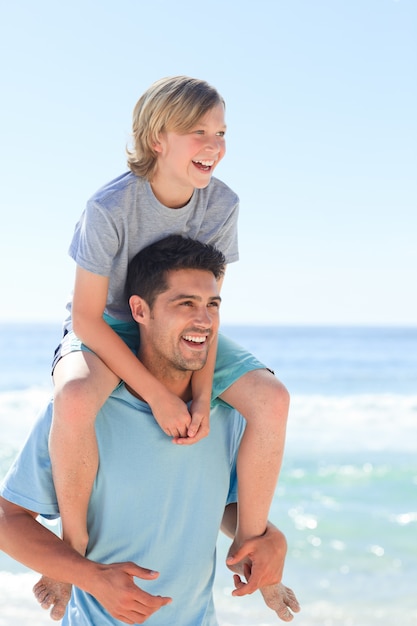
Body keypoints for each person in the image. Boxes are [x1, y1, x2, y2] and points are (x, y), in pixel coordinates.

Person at [44, 75, 291, 618]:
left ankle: (251, 543)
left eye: (221, 132)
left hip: (181, 325)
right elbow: (86, 315)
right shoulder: (110, 206)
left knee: (273, 400)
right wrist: (158, 395)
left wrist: (202, 397)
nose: (214, 145)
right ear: (158, 137)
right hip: (109, 324)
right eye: (197, 132)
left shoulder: (222, 205)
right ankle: (72, 552)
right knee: (78, 399)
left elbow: (208, 312)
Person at [0, 236, 300, 625]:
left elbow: (213, 503)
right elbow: (9, 519)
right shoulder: (83, 412)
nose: (204, 320)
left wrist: (265, 537)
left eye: (212, 305)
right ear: (140, 311)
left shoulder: (225, 414)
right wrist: (88, 576)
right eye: (185, 304)